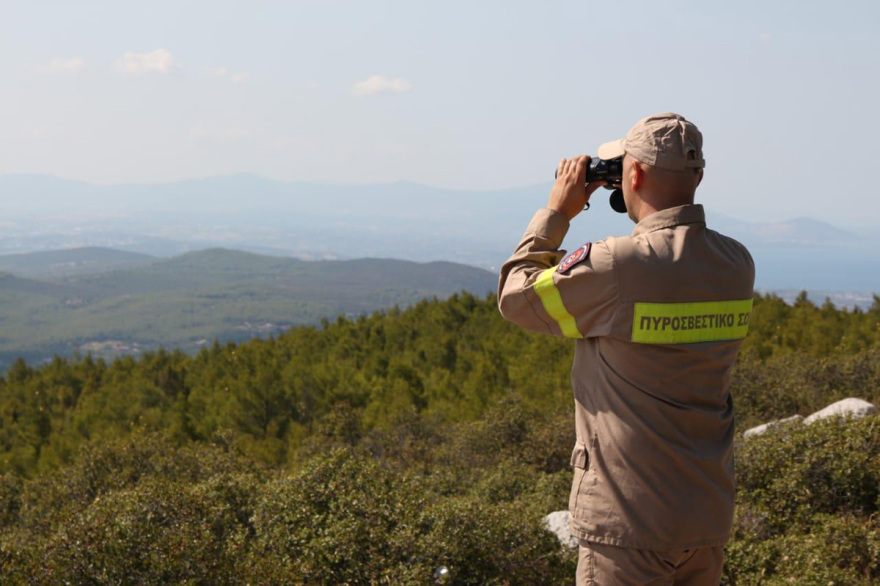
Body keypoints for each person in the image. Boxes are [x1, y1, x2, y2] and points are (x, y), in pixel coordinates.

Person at [497, 112, 755, 585]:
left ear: (631, 174)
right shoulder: (736, 262)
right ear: (698, 175)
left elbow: (517, 299)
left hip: (628, 522)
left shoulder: (617, 264)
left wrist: (557, 211)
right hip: (705, 514)